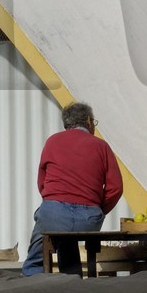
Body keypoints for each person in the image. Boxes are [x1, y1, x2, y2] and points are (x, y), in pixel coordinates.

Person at [21, 101, 123, 275]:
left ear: (66, 123)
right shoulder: (101, 146)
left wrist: (56, 204)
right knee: (66, 240)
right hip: (89, 218)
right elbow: (116, 188)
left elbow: (42, 183)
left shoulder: (53, 142)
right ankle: (73, 280)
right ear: (89, 121)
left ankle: (32, 283)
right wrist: (98, 209)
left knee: (38, 254)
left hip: (54, 214)